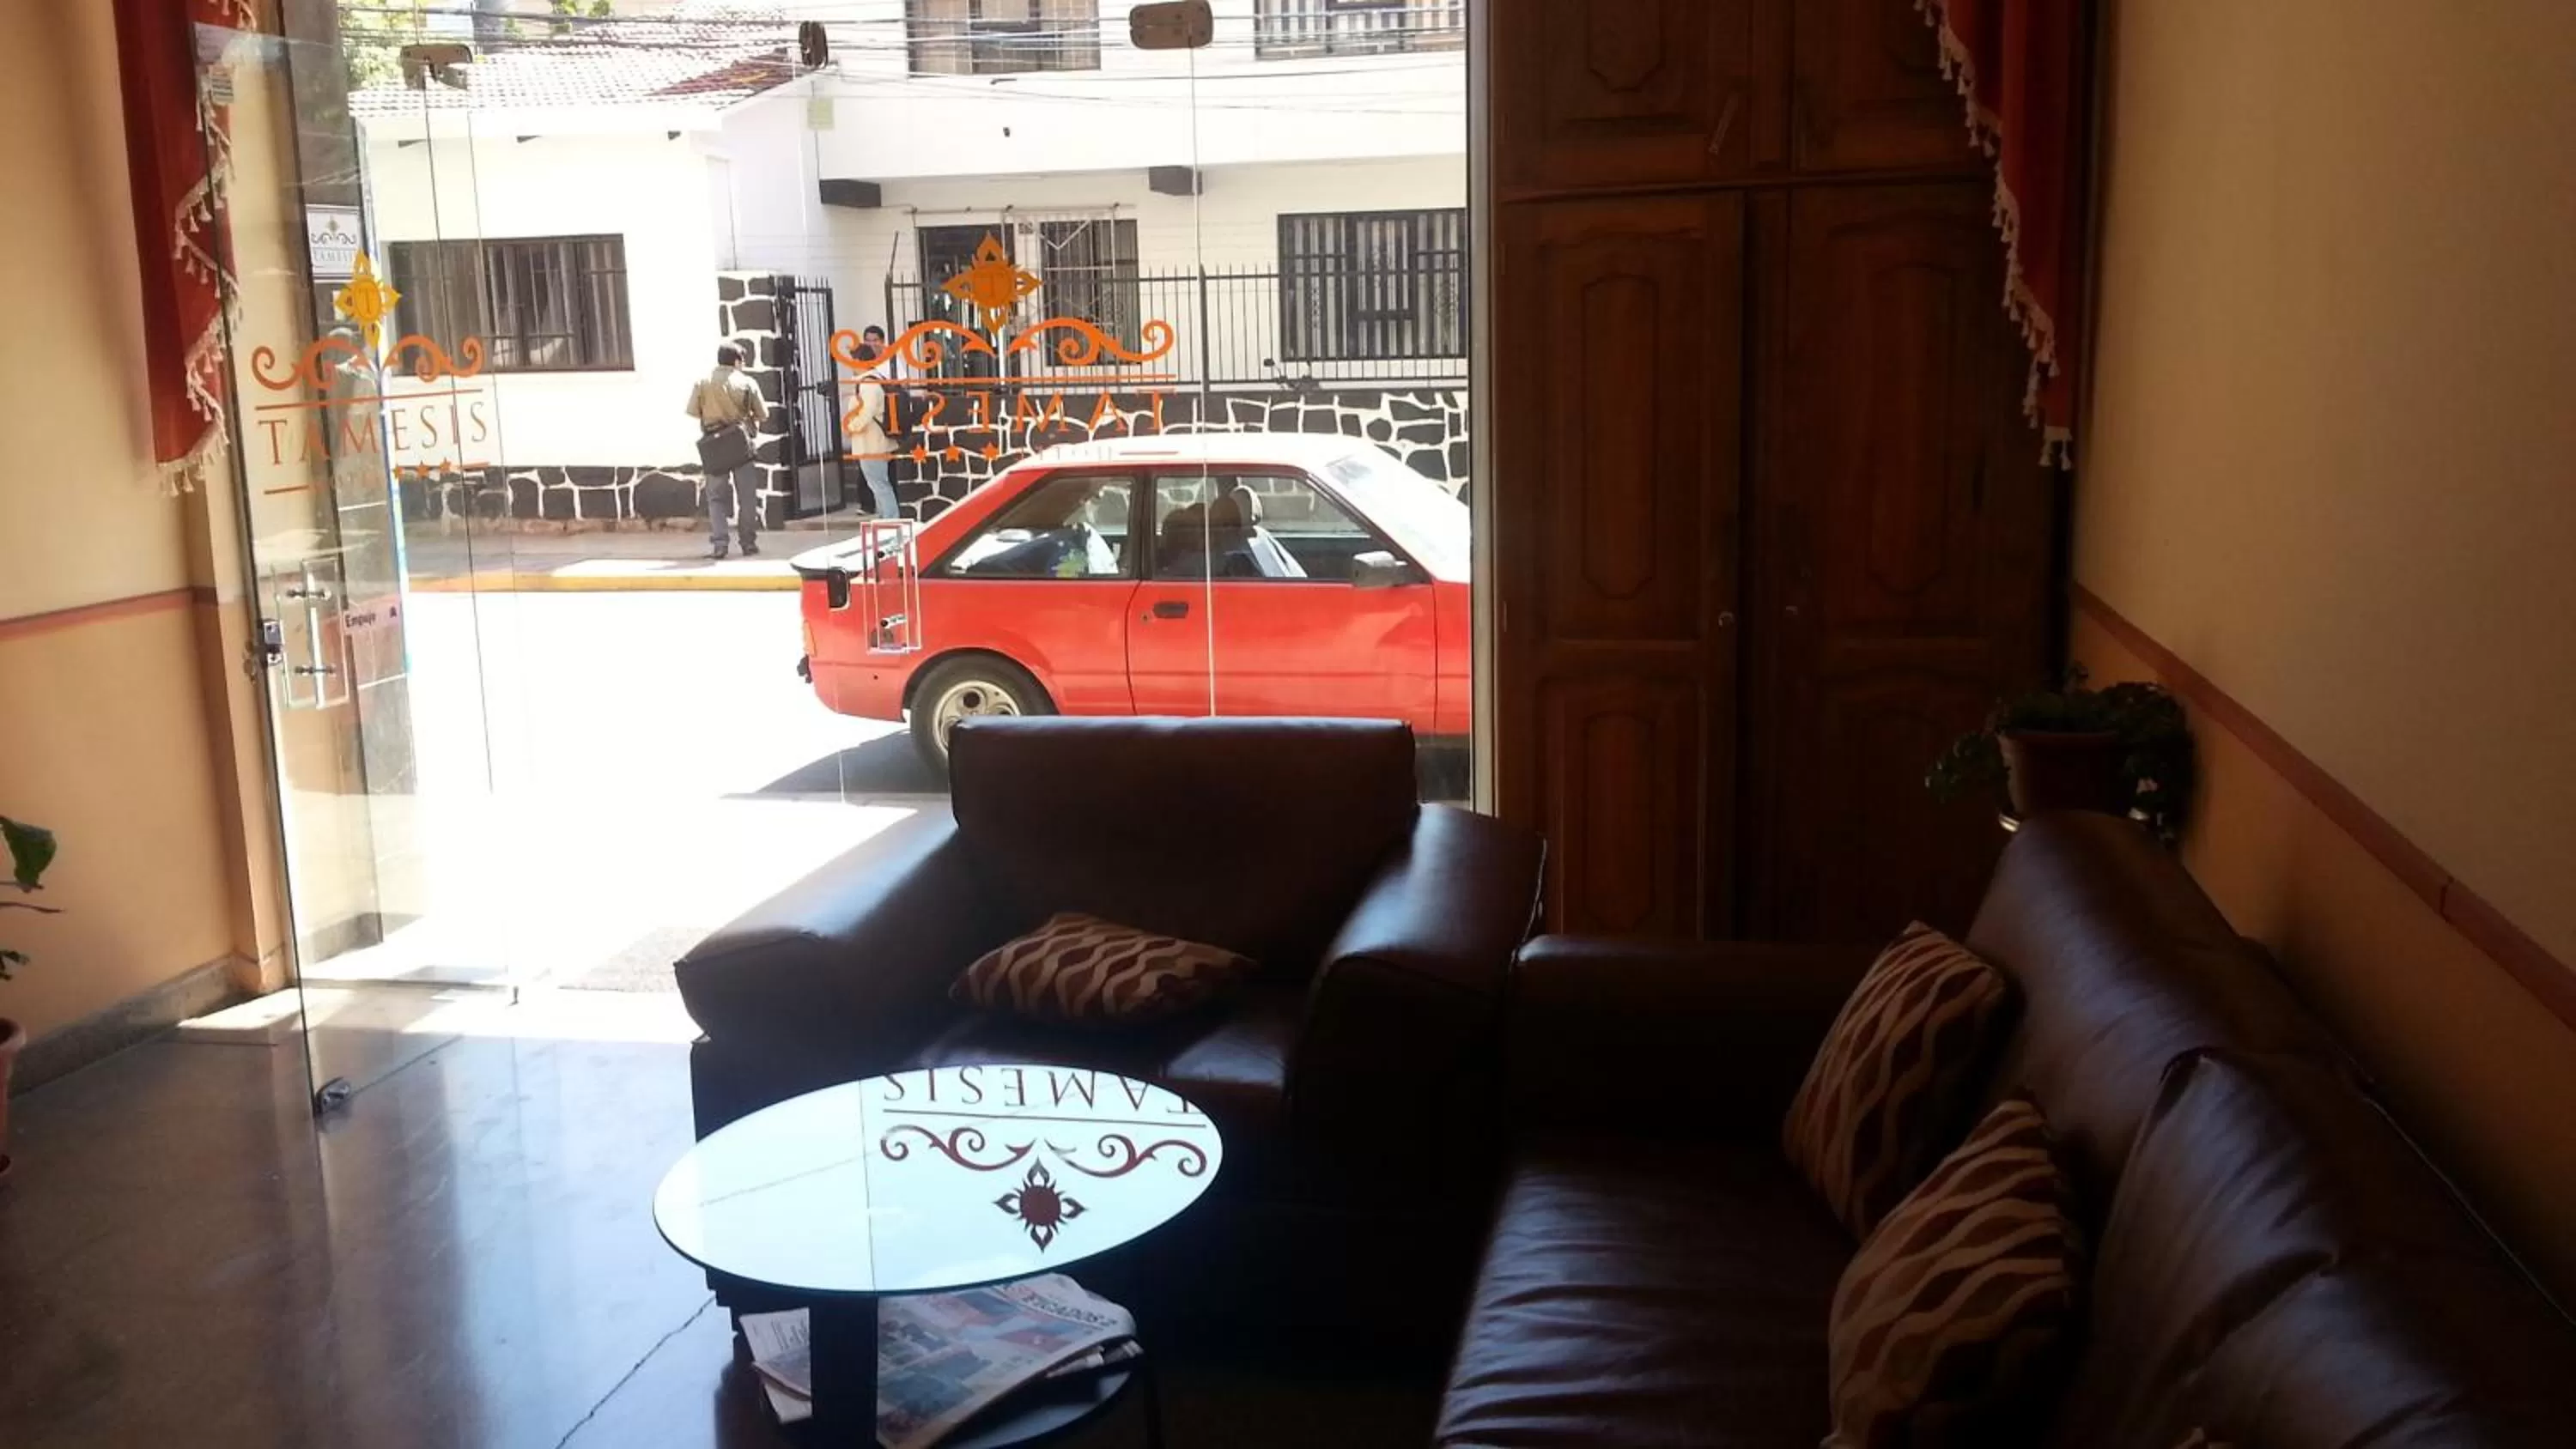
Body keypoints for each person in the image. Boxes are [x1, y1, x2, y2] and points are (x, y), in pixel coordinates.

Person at [684, 342, 766, 558]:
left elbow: (693, 411)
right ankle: (748, 543)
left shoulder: (702, 383)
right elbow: (762, 414)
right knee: (746, 497)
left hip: (714, 443)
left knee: (715, 497)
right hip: (740, 443)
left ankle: (720, 544)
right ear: (737, 361)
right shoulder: (748, 382)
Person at [849, 324, 900, 519]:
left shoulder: (868, 383)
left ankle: (891, 520)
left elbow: (867, 411)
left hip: (872, 443)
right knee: (878, 484)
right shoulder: (870, 380)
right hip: (873, 442)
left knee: (879, 484)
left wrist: (852, 427)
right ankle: (885, 519)